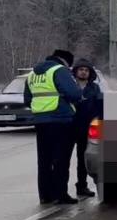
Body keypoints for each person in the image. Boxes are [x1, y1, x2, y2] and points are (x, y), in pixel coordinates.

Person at [25, 49, 83, 204]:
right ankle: (60, 194)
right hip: (61, 121)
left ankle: (45, 195)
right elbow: (75, 94)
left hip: (40, 122)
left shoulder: (32, 74)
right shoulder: (59, 71)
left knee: (44, 160)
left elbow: (27, 99)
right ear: (65, 61)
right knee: (61, 160)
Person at [71, 59, 103, 198]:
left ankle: (82, 186)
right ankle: (60, 190)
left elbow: (99, 107)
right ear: (76, 71)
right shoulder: (70, 86)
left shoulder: (94, 88)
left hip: (86, 127)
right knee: (61, 160)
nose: (83, 72)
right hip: (69, 126)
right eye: (81, 69)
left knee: (82, 159)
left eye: (86, 70)